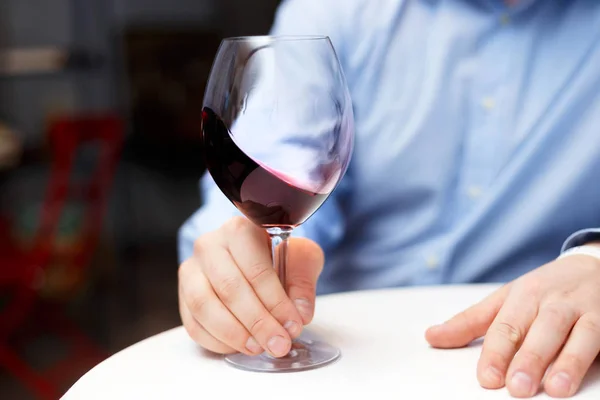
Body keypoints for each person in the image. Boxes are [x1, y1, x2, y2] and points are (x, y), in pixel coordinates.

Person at [177, 0, 600, 397]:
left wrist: (594, 260)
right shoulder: (335, 10)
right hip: (343, 369)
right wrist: (228, 266)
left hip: (526, 367)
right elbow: (273, 161)